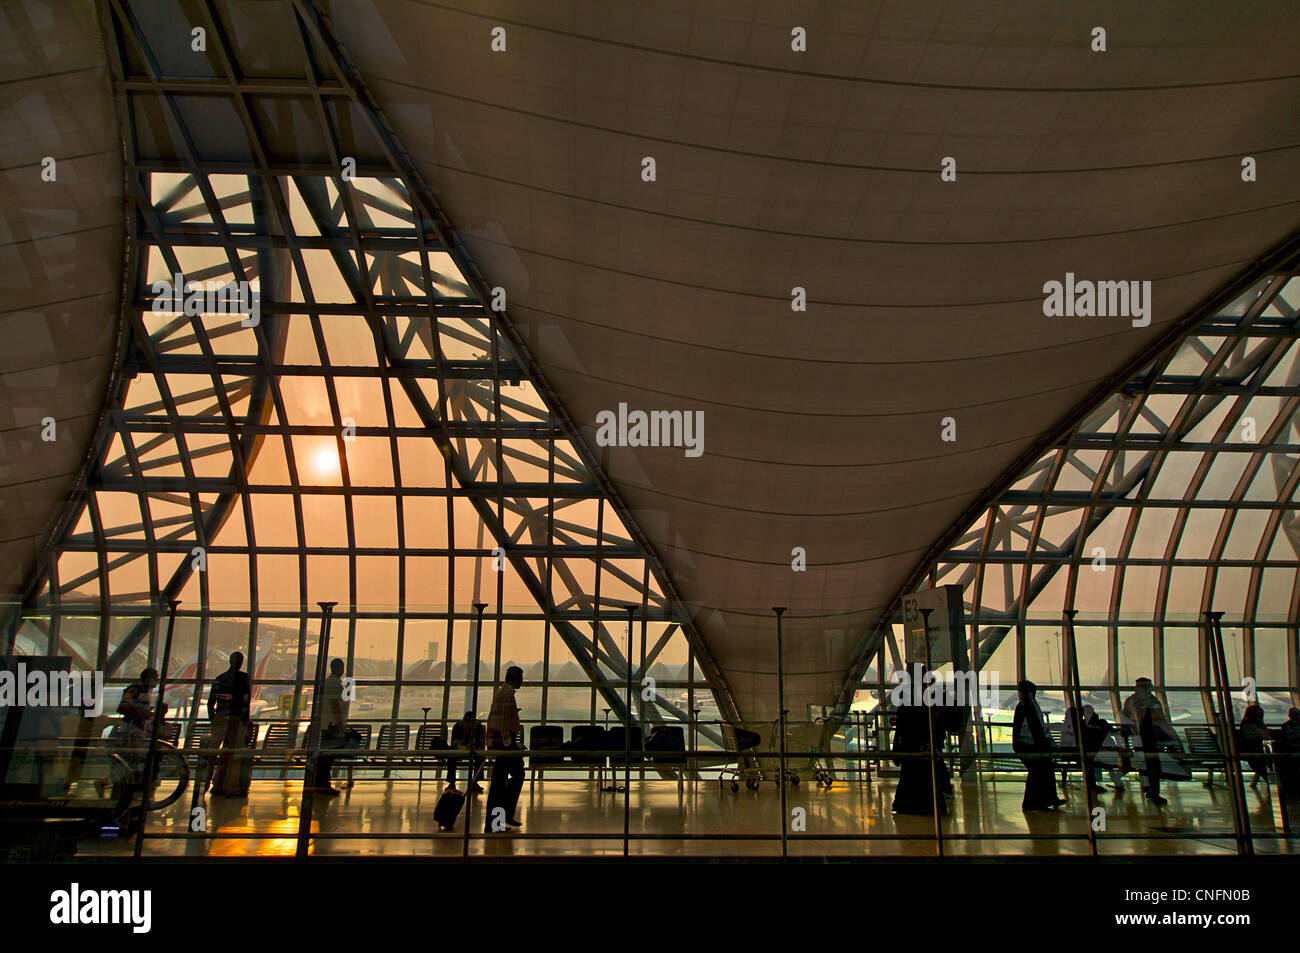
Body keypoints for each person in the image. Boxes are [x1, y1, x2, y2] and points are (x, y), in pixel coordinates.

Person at [889, 666, 946, 815]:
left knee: (911, 777)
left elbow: (903, 723)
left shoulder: (910, 700)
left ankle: (910, 806)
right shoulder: (932, 701)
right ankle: (925, 806)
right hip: (918, 745)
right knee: (923, 778)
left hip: (913, 746)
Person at [484, 666, 525, 832]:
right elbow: (504, 722)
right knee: (515, 776)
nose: (522, 682)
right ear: (515, 679)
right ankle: (504, 814)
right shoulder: (507, 695)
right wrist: (510, 744)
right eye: (521, 678)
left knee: (499, 783)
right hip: (505, 743)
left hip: (501, 742)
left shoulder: (501, 692)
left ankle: (495, 822)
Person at [1013, 680, 1064, 810]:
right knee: (1041, 772)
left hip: (1027, 746)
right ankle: (1040, 801)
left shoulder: (1022, 706)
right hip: (1034, 746)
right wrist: (1049, 744)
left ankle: (1039, 801)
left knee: (1038, 773)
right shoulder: (1030, 707)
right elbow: (1039, 728)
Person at [207, 652, 252, 797]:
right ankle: (231, 788)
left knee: (211, 754)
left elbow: (210, 703)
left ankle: (205, 783)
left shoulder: (219, 679)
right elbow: (246, 700)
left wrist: (213, 719)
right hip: (236, 719)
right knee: (233, 755)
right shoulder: (243, 678)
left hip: (220, 718)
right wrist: (244, 719)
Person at [1122, 677, 1172, 805]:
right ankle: (1154, 792)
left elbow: (1125, 719)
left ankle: (1150, 788)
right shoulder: (1152, 701)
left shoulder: (1131, 701)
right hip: (1150, 739)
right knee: (1153, 766)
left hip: (1138, 739)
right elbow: (1161, 721)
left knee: (1146, 765)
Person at [309, 659, 348, 796]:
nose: (343, 670)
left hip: (328, 723)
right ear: (338, 668)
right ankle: (323, 785)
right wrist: (341, 726)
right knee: (327, 756)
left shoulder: (332, 681)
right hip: (332, 724)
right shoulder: (333, 683)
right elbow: (334, 705)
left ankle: (321, 783)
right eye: (342, 667)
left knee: (326, 756)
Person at [117, 668, 164, 744]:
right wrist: (141, 713)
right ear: (147, 679)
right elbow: (122, 708)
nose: (157, 681)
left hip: (139, 727)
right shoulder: (134, 690)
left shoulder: (147, 692)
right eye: (155, 678)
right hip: (130, 726)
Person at [447, 710, 485, 793]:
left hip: (474, 751)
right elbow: (454, 743)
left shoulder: (479, 728)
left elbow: (481, 744)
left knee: (480, 758)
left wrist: (473, 747)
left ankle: (475, 781)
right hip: (460, 750)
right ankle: (452, 782)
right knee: (451, 757)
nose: (467, 725)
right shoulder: (457, 727)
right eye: (466, 722)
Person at [1238, 704, 1270, 789]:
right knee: (1260, 764)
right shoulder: (1253, 725)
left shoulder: (1246, 724)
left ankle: (1268, 781)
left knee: (1260, 764)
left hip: (1254, 749)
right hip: (1252, 749)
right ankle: (1269, 781)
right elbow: (1264, 736)